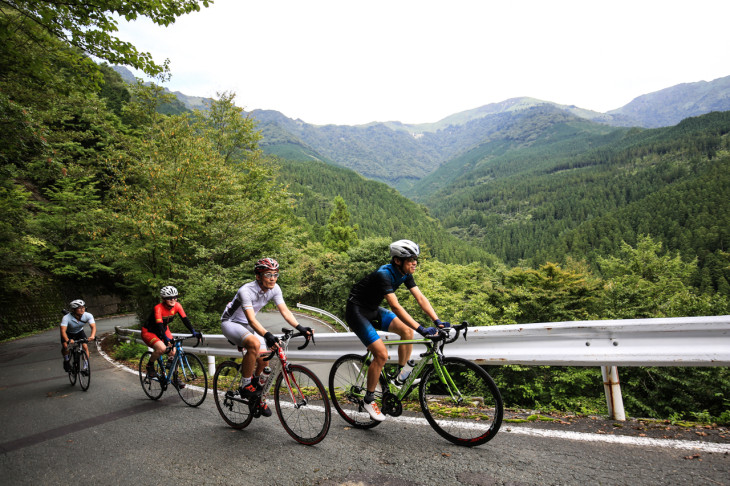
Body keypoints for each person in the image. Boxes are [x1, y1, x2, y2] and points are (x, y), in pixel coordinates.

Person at [346, 239, 449, 421]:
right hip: (357, 311)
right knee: (381, 355)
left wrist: (437, 320)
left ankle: (399, 378)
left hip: (373, 309)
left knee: (407, 332)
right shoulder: (383, 274)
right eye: (410, 259)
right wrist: (421, 328)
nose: (414, 262)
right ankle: (369, 398)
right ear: (397, 261)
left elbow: (420, 298)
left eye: (415, 258)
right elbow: (395, 306)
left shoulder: (405, 273)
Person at [221, 258, 313, 417]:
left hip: (247, 324)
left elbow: (285, 311)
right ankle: (246, 385)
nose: (273, 278)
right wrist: (267, 335)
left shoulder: (275, 288)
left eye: (276, 274)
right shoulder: (246, 290)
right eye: (268, 274)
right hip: (231, 322)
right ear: (258, 276)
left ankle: (255, 397)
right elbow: (251, 319)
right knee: (254, 343)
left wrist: (300, 327)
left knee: (264, 360)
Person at [141, 286, 202, 383]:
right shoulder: (158, 308)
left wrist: (193, 332)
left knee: (174, 351)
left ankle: (175, 377)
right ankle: (150, 365)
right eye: (169, 298)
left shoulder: (177, 305)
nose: (173, 299)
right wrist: (166, 340)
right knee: (162, 348)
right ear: (163, 299)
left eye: (175, 297)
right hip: (149, 332)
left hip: (164, 330)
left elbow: (185, 319)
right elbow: (159, 325)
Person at [60, 299, 96, 372]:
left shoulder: (88, 315)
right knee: (65, 346)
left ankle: (85, 367)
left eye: (83, 307)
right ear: (73, 309)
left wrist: (92, 336)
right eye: (79, 308)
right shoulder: (66, 318)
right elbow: (63, 331)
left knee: (85, 346)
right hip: (68, 333)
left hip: (79, 332)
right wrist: (68, 340)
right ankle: (66, 360)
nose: (82, 309)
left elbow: (93, 327)